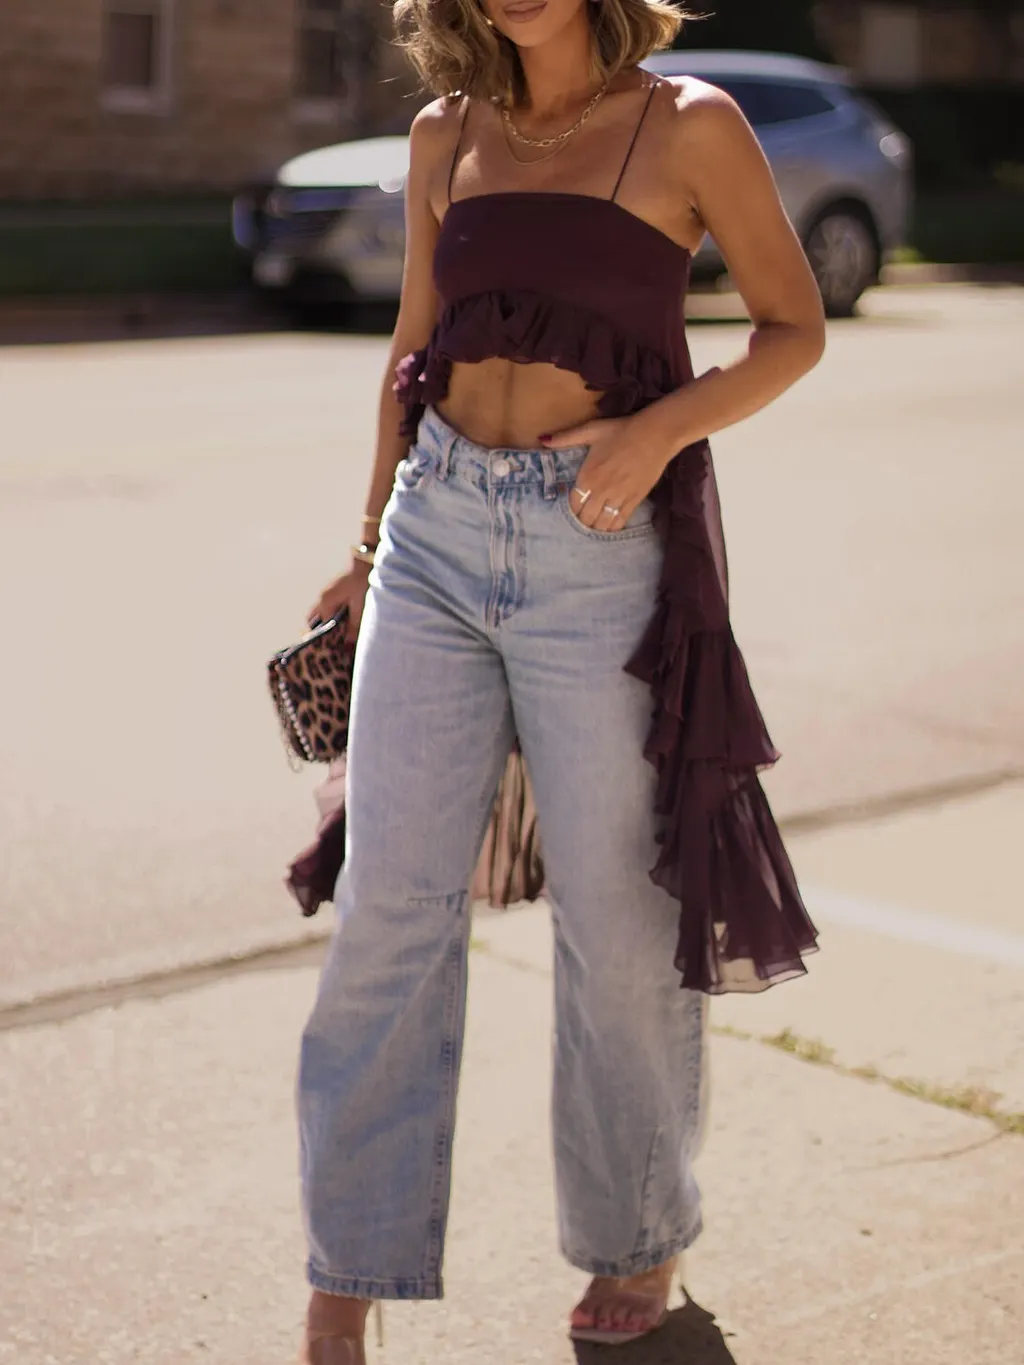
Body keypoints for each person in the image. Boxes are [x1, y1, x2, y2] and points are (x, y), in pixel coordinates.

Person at [295, 0, 825, 1358]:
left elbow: (790, 328)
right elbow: (410, 353)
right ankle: (346, 1275)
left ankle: (638, 1238)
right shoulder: (444, 133)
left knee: (618, 924)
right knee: (386, 918)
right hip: (436, 532)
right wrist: (364, 548)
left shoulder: (688, 124)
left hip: (600, 547)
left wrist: (657, 433)